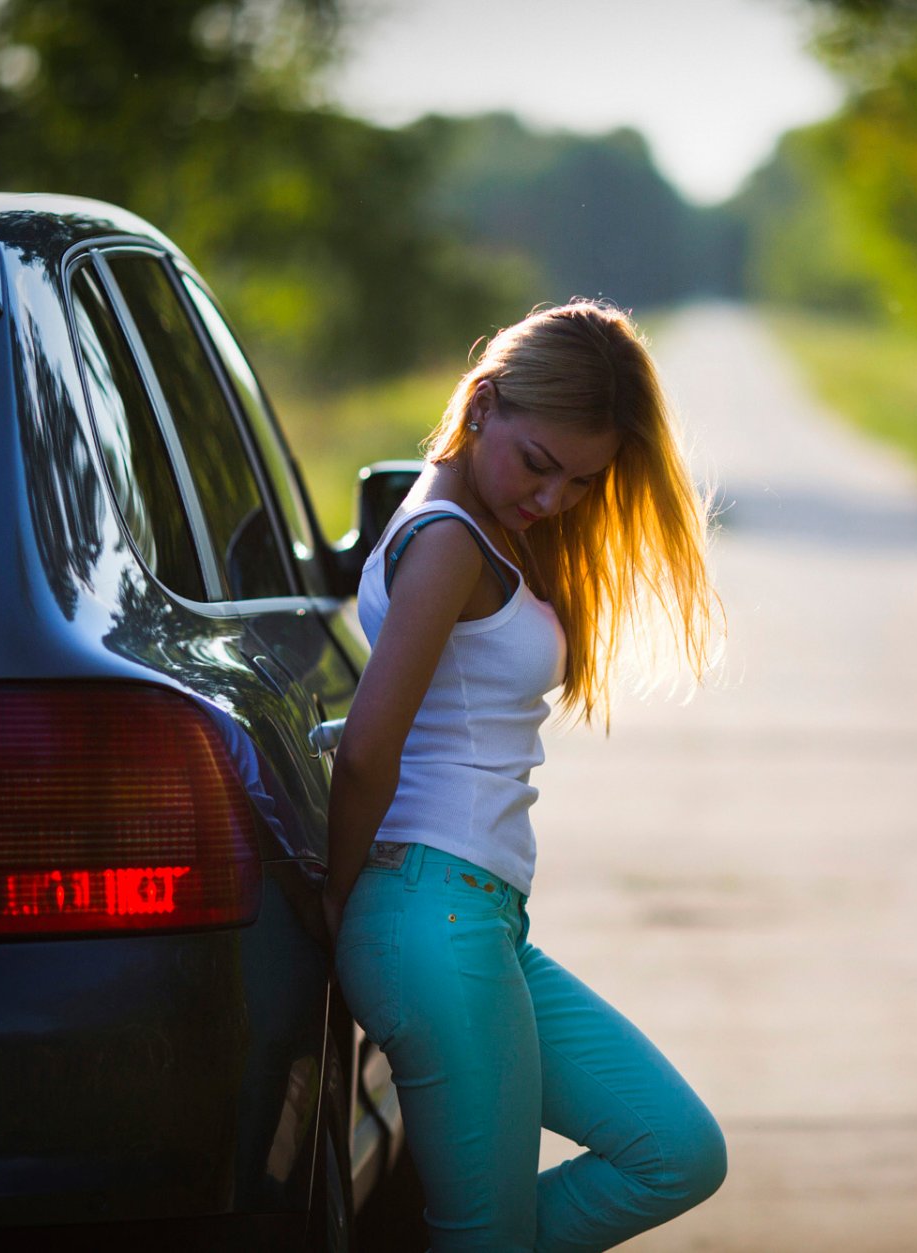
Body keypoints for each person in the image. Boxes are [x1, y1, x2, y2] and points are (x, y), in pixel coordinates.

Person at [321, 300, 727, 1251]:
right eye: (539, 464)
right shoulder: (451, 539)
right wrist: (338, 903)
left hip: (480, 918)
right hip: (430, 912)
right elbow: (371, 749)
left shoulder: (477, 528)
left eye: (581, 482)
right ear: (484, 404)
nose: (552, 500)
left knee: (674, 1148)